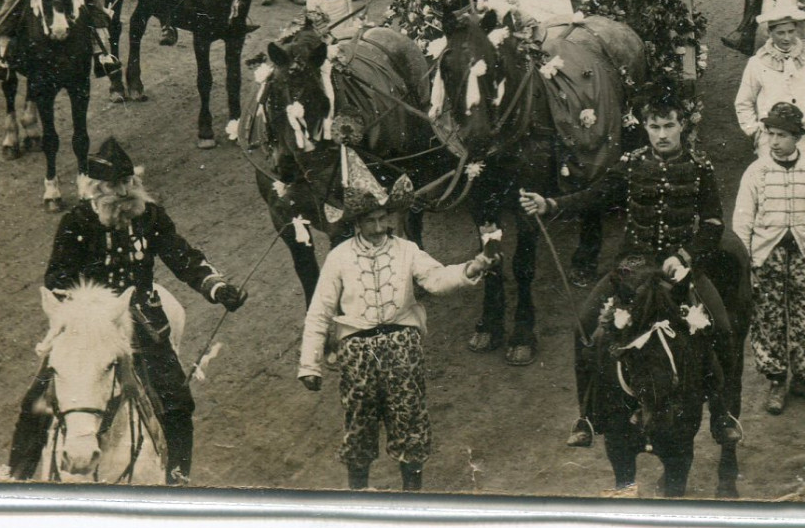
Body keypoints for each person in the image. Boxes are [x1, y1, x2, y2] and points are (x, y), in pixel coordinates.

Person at [8, 138, 247, 485]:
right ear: (95, 187)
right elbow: (57, 278)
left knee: (177, 401)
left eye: (126, 183)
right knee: (35, 402)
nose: (120, 192)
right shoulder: (77, 222)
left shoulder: (150, 216)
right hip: (89, 327)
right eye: (111, 185)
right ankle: (16, 478)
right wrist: (81, 311)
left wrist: (217, 288)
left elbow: (182, 256)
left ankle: (177, 478)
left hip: (142, 324)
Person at [522, 90, 742, 449]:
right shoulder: (631, 163)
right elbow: (593, 196)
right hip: (632, 268)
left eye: (669, 125)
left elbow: (714, 224)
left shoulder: (701, 168)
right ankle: (588, 416)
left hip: (680, 271)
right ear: (645, 127)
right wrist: (549, 203)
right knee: (586, 327)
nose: (662, 134)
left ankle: (721, 415)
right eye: (654, 126)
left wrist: (685, 256)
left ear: (682, 125)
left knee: (724, 330)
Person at [299, 153, 489, 492]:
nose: (376, 228)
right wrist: (309, 364)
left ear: (390, 217)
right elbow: (320, 310)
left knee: (410, 422)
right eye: (368, 220)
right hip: (357, 352)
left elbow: (436, 278)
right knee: (359, 425)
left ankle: (411, 498)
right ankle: (358, 495)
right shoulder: (339, 258)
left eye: (381, 218)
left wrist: (470, 269)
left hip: (403, 348)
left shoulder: (406, 249)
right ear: (356, 222)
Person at [731, 102, 805, 415]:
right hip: (767, 258)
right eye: (770, 134)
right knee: (767, 319)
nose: (774, 141)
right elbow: (742, 223)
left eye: (781, 134)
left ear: (797, 137)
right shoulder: (756, 172)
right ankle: (776, 379)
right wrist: (746, 266)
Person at [733, 9, 805, 171]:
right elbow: (744, 102)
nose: (787, 38)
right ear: (770, 32)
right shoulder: (757, 63)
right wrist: (754, 131)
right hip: (772, 139)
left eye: (791, 31)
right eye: (780, 33)